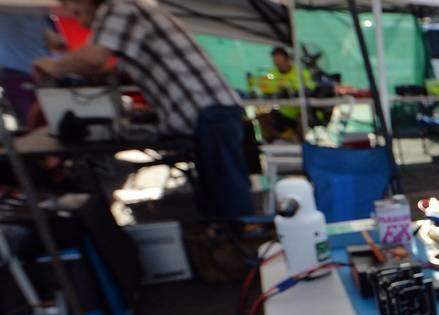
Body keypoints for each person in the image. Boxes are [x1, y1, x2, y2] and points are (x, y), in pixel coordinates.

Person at [33, 0, 253, 219]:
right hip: (209, 110)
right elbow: (113, 69)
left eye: (76, 10)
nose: (76, 18)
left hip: (209, 109)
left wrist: (55, 66)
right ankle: (231, 243)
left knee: (228, 198)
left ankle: (244, 245)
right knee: (219, 195)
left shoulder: (119, 7)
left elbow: (94, 58)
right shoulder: (133, 13)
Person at [0, 10, 57, 127]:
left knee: (40, 124)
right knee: (35, 125)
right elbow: (53, 40)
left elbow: (52, 39)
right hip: (19, 72)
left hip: (39, 72)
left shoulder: (41, 10)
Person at [255, 46, 314, 143]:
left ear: (287, 60)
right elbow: (264, 90)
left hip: (299, 112)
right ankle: (281, 140)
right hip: (282, 112)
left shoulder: (302, 73)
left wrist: (293, 91)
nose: (278, 65)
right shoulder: (271, 74)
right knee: (262, 118)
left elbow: (310, 89)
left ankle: (301, 144)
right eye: (276, 62)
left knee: (302, 117)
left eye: (280, 61)